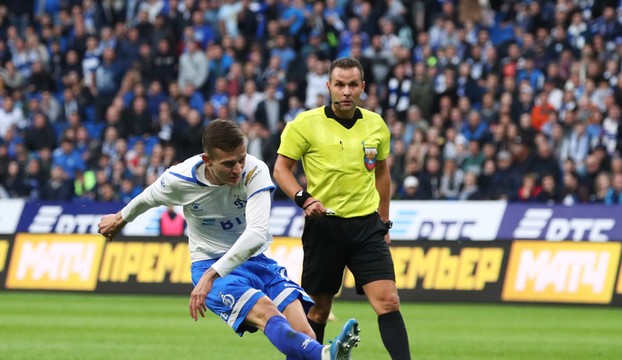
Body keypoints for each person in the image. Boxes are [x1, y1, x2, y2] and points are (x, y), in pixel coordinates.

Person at [98, 119, 359, 360]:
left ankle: (321, 354)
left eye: (241, 159)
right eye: (228, 164)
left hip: (252, 261)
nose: (238, 169)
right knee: (268, 313)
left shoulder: (255, 171)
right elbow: (147, 198)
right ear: (207, 160)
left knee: (306, 338)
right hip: (210, 265)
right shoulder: (179, 179)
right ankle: (327, 355)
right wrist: (120, 218)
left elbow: (256, 234)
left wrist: (211, 276)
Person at [274, 57, 412, 360]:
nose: (346, 91)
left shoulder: (376, 124)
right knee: (319, 311)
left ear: (362, 87)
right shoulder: (304, 124)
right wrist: (303, 198)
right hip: (325, 226)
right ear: (329, 87)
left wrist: (384, 222)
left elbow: (382, 174)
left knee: (388, 302)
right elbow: (281, 169)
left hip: (366, 227)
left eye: (352, 85)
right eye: (340, 84)